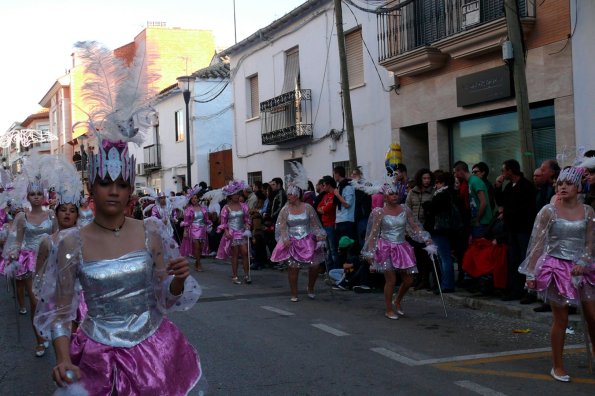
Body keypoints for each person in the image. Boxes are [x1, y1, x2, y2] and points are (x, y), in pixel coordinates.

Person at [33, 41, 202, 394]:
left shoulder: (152, 231)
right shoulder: (70, 241)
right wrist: (62, 359)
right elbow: (61, 311)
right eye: (105, 183)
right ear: (91, 189)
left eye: (122, 184)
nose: (114, 190)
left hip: (155, 352)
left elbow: (164, 299)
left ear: (130, 190)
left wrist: (176, 281)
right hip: (97, 354)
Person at [519, 166, 594, 382]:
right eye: (560, 183)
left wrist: (583, 261)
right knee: (560, 319)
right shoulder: (548, 211)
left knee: (593, 316)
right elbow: (537, 243)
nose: (562, 187)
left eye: (568, 183)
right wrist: (531, 274)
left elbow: (590, 243)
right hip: (555, 268)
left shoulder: (588, 211)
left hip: (583, 269)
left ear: (579, 187)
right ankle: (557, 366)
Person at [1, 156, 58, 357]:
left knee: (52, 302)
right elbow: (17, 240)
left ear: (42, 195)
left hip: (51, 262)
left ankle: (52, 332)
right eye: (31, 194)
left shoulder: (51, 214)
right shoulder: (22, 217)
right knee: (36, 302)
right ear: (28, 195)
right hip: (32, 262)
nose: (35, 197)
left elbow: (59, 237)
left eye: (38, 193)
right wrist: (13, 252)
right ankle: (40, 340)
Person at [362, 183, 432, 320]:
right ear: (385, 197)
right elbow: (373, 233)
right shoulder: (379, 212)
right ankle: (389, 309)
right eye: (391, 194)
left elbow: (414, 226)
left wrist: (425, 237)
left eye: (396, 194)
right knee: (391, 280)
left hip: (402, 247)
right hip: (385, 248)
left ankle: (398, 300)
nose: (394, 196)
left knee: (409, 280)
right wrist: (370, 251)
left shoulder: (405, 209)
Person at [270, 177, 326, 302]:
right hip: (293, 241)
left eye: (291, 194)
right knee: (293, 267)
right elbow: (282, 226)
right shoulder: (285, 210)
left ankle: (310, 287)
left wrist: (320, 236)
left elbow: (315, 224)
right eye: (288, 194)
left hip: (307, 240)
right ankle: (294, 293)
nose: (288, 196)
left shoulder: (308, 208)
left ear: (297, 195)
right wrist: (285, 239)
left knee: (315, 265)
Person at [494, 159, 537, 302]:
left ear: (510, 171)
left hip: (523, 229)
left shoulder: (526, 186)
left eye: (503, 170)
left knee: (525, 260)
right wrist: (498, 187)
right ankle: (516, 289)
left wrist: (510, 214)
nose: (502, 173)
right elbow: (501, 202)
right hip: (512, 229)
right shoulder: (509, 187)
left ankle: (529, 291)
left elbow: (527, 209)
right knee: (514, 259)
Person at [422, 170, 461, 292]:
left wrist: (427, 205)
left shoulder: (442, 195)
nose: (435, 185)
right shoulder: (450, 193)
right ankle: (446, 284)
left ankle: (447, 285)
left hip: (440, 229)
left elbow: (432, 209)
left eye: (437, 182)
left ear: (443, 183)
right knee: (444, 257)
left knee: (444, 258)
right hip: (446, 230)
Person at [216, 180, 252, 284]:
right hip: (232, 233)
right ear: (230, 196)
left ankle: (246, 275)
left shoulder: (244, 206)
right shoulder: (226, 208)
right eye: (234, 194)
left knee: (245, 253)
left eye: (238, 194)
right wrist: (226, 231)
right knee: (235, 254)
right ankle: (235, 276)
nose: (237, 196)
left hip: (242, 231)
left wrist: (248, 225)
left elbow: (246, 219)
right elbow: (223, 222)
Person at [406, 168, 435, 290]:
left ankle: (425, 280)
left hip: (427, 228)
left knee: (426, 256)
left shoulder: (433, 192)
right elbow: (407, 209)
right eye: (424, 178)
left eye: (428, 178)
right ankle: (417, 279)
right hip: (413, 228)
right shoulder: (412, 192)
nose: (426, 181)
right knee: (416, 255)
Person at [180, 188, 211, 272]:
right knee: (196, 247)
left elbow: (206, 220)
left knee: (201, 248)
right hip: (193, 230)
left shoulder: (203, 209)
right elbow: (186, 222)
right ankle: (199, 263)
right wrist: (185, 231)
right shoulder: (188, 209)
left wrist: (209, 225)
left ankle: (197, 262)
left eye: (196, 198)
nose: (194, 200)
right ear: (190, 200)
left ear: (198, 199)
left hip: (202, 230)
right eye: (193, 198)